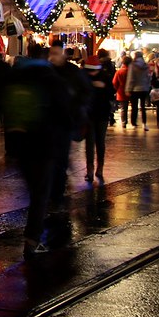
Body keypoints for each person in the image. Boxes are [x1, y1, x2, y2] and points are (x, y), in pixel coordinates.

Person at [4, 45, 64, 258]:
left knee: (34, 190)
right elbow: (64, 110)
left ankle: (32, 235)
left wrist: (10, 146)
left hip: (21, 144)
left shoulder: (16, 78)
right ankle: (32, 239)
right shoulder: (50, 77)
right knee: (40, 194)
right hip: (44, 143)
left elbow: (5, 109)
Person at [48, 40, 90, 209]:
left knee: (60, 160)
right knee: (52, 158)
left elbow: (85, 92)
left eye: (56, 54)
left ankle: (57, 195)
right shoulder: (48, 72)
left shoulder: (73, 72)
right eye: (52, 54)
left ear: (63, 54)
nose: (53, 57)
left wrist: (76, 109)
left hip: (65, 122)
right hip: (50, 122)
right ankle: (54, 191)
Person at [82, 55, 114, 184]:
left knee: (100, 141)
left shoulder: (105, 78)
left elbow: (111, 93)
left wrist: (103, 87)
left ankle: (99, 167)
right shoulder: (84, 78)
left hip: (101, 114)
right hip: (89, 114)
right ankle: (90, 169)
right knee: (90, 142)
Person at [125, 50, 151, 130]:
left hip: (135, 89)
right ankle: (144, 123)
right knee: (143, 107)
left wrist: (128, 89)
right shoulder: (146, 65)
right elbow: (148, 77)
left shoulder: (132, 65)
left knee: (134, 107)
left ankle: (134, 123)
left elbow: (130, 78)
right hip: (144, 88)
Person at [97, 49, 118, 127]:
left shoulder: (98, 63)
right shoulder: (111, 64)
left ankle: (105, 117)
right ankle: (110, 117)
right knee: (109, 102)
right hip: (110, 85)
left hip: (101, 85)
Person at [113, 55, 130, 128]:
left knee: (123, 108)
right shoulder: (131, 71)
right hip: (131, 90)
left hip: (121, 91)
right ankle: (133, 121)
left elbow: (114, 82)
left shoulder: (119, 71)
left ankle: (124, 122)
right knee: (134, 106)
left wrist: (116, 89)